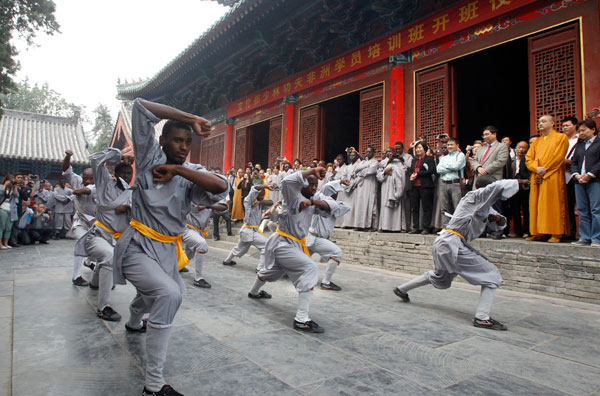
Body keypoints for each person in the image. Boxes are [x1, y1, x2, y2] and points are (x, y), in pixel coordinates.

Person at [112, 99, 228, 396]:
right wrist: (190, 114)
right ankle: (153, 386)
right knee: (168, 293)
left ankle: (135, 320)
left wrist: (179, 171)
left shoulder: (190, 172)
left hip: (166, 250)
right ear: (162, 140)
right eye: (177, 139)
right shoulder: (149, 158)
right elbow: (140, 107)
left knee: (155, 295)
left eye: (188, 141)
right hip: (137, 246)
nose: (183, 146)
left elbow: (220, 187)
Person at [394, 175, 527, 330]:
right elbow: (494, 188)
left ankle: (402, 289)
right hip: (451, 243)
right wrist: (518, 181)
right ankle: (482, 317)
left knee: (440, 276)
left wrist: (498, 220)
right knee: (492, 275)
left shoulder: (484, 206)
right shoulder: (473, 197)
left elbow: (501, 222)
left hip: (446, 243)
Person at [247, 167, 328, 333]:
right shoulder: (293, 196)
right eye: (310, 184)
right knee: (310, 268)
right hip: (283, 242)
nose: (313, 187)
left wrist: (315, 201)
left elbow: (332, 204)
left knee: (271, 273)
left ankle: (254, 292)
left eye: (316, 184)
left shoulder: (312, 198)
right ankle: (301, 319)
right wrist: (312, 169)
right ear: (301, 184)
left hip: (293, 244)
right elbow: (286, 181)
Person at [81, 148, 133, 321]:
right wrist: (117, 155)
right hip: (98, 236)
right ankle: (103, 307)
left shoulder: (131, 193)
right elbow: (95, 159)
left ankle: (95, 282)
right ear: (115, 173)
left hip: (119, 240)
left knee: (110, 260)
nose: (126, 176)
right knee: (109, 256)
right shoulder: (104, 183)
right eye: (123, 173)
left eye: (129, 173)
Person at [525, 115, 569, 243]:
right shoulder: (536, 141)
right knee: (536, 205)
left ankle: (555, 233)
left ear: (552, 123)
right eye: (539, 122)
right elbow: (529, 159)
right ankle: (537, 232)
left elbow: (558, 157)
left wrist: (544, 170)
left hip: (552, 175)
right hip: (536, 176)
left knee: (552, 203)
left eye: (544, 121)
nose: (540, 124)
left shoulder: (561, 138)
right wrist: (536, 169)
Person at [307, 179, 351, 290]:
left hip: (315, 239)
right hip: (315, 238)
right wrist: (339, 181)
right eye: (333, 192)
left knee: (296, 260)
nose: (335, 194)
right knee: (336, 253)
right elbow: (326, 189)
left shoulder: (336, 206)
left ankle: (281, 272)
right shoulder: (319, 200)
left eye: (336, 192)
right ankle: (326, 282)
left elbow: (345, 207)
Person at [63, 150, 97, 287]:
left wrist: (75, 191)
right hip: (80, 220)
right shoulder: (77, 180)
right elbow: (66, 170)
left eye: (90, 178)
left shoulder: (98, 186)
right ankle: (76, 276)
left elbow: (86, 190)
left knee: (99, 246)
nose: (87, 180)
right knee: (81, 241)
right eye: (85, 177)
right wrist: (68, 157)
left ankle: (89, 262)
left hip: (96, 222)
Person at [223, 184, 273, 270]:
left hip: (250, 231)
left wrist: (260, 201)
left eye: (263, 194)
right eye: (260, 194)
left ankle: (227, 261)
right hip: (249, 230)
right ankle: (260, 268)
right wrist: (266, 186)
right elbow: (254, 188)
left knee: (238, 248)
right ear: (256, 194)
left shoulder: (261, 203)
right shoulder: (248, 201)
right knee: (267, 245)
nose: (262, 196)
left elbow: (271, 202)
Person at [184, 198, 228, 288]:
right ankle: (198, 279)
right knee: (202, 245)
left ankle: (177, 266)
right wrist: (209, 206)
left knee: (189, 254)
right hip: (187, 229)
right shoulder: (193, 196)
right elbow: (196, 208)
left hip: (199, 231)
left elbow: (224, 207)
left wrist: (209, 205)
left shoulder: (211, 200)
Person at [570, 119, 600, 247]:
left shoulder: (599, 143)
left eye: (583, 130)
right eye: (579, 131)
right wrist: (576, 175)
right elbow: (574, 162)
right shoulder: (580, 144)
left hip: (595, 180)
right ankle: (585, 237)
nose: (581, 133)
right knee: (582, 210)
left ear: (593, 129)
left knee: (595, 210)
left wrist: (590, 174)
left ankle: (596, 238)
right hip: (579, 181)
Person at [436, 138, 466, 228]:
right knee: (444, 207)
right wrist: (451, 167)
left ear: (457, 146)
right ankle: (446, 227)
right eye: (448, 145)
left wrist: (446, 166)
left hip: (455, 183)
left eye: (452, 145)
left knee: (457, 206)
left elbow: (457, 166)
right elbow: (438, 169)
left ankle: (457, 227)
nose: (449, 147)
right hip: (443, 183)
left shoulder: (460, 155)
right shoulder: (444, 157)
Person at [409, 142, 436, 234]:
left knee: (426, 207)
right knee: (414, 208)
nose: (418, 150)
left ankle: (426, 227)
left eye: (420, 148)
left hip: (426, 186)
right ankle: (415, 227)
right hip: (415, 186)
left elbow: (431, 171)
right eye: (416, 148)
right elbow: (411, 171)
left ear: (424, 149)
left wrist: (418, 174)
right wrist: (412, 175)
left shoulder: (430, 159)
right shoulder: (414, 160)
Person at [378, 147, 408, 232]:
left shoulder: (400, 162)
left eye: (390, 152)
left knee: (397, 208)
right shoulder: (383, 163)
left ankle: (397, 227)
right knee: (385, 207)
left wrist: (396, 173)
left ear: (394, 152)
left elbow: (404, 172)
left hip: (397, 188)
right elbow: (378, 176)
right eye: (387, 152)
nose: (388, 153)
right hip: (386, 186)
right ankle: (385, 226)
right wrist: (385, 172)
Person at [349, 146, 379, 230]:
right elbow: (356, 170)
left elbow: (371, 171)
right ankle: (359, 225)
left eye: (370, 152)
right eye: (366, 152)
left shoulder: (375, 162)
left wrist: (361, 171)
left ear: (373, 153)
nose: (368, 153)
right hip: (361, 185)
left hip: (370, 185)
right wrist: (364, 168)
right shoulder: (362, 162)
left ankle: (369, 225)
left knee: (369, 204)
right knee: (360, 204)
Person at [508, 141, 531, 237]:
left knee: (526, 209)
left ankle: (526, 230)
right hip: (513, 186)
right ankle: (517, 230)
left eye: (523, 148)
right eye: (519, 147)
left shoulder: (529, 160)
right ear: (515, 148)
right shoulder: (511, 160)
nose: (521, 150)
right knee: (515, 209)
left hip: (525, 187)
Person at [562, 116, 580, 240]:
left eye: (567, 125)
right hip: (563, 176)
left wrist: (570, 161)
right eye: (563, 126)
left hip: (577, 176)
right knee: (566, 206)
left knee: (581, 206)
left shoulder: (580, 140)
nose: (564, 128)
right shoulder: (562, 141)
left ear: (575, 126)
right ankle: (570, 232)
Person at [0, 176, 19, 249]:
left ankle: (6, 243)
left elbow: (16, 196)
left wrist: (14, 187)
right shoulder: (1, 187)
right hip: (2, 208)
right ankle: (0, 244)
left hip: (11, 209)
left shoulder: (12, 189)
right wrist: (5, 185)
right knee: (2, 226)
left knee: (8, 228)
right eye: (11, 181)